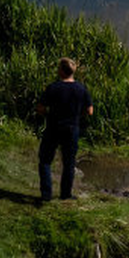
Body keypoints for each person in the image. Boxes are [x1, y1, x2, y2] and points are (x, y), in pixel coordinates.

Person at [37, 57, 93, 202]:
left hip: (53, 127)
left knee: (45, 160)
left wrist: (48, 115)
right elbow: (90, 111)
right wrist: (77, 115)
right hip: (72, 128)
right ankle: (65, 194)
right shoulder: (81, 89)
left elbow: (40, 108)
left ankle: (46, 194)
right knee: (69, 163)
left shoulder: (53, 87)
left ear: (61, 70)